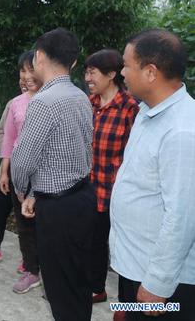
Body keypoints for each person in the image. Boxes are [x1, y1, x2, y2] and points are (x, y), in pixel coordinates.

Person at [11, 28, 96, 320]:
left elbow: (22, 161)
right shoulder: (80, 96)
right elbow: (75, 151)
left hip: (58, 209)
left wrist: (23, 192)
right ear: (73, 63)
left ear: (38, 57)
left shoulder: (43, 103)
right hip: (83, 196)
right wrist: (36, 192)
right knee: (78, 278)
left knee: (59, 285)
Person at [110, 29, 195, 320]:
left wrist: (156, 285)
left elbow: (181, 216)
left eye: (126, 64)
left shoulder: (182, 131)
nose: (121, 72)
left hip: (164, 283)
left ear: (150, 72)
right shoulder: (149, 113)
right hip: (136, 266)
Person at [0, 51, 42, 294]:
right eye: (22, 71)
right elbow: (7, 136)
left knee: (42, 222)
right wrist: (5, 169)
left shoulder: (52, 100)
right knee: (21, 220)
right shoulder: (16, 103)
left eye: (31, 69)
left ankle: (39, 263)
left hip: (45, 172)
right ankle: (29, 266)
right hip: (16, 169)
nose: (26, 76)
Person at [83, 49, 139, 305]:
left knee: (110, 244)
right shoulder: (89, 103)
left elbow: (135, 153)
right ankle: (93, 285)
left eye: (92, 72)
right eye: (86, 72)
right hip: (86, 188)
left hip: (114, 191)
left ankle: (111, 294)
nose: (87, 77)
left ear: (111, 74)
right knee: (89, 240)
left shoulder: (130, 109)